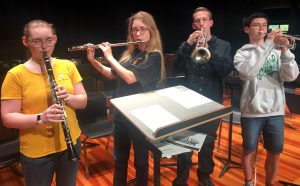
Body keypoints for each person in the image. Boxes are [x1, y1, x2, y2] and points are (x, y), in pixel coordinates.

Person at [1, 19, 87, 186]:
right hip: (36, 152)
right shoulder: (15, 75)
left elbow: (82, 101)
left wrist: (68, 98)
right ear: (25, 42)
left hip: (70, 143)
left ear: (54, 39)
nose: (44, 46)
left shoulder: (67, 66)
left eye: (48, 40)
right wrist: (41, 117)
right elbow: (8, 118)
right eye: (37, 41)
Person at [86, 11, 165, 186]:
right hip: (121, 115)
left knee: (141, 161)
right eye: (134, 30)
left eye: (142, 29)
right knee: (120, 159)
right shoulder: (130, 55)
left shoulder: (154, 56)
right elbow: (110, 74)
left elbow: (130, 78)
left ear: (151, 31)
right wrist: (93, 60)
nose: (137, 34)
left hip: (140, 117)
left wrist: (108, 56)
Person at [233, 12, 299, 186]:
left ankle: (270, 183)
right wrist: (269, 43)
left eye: (264, 25)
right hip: (251, 112)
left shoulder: (277, 52)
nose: (262, 28)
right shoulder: (242, 53)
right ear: (247, 29)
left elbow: (291, 76)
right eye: (257, 25)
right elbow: (247, 73)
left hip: (276, 111)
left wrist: (285, 51)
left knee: (275, 151)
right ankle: (249, 183)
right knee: (249, 150)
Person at [172, 7, 233, 186]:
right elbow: (176, 68)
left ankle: (204, 176)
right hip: (187, 102)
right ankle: (181, 179)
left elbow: (225, 70)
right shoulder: (187, 45)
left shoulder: (223, 45)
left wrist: (208, 49)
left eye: (204, 20)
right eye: (197, 21)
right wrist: (186, 46)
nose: (201, 24)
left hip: (211, 101)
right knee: (183, 142)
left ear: (211, 22)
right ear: (193, 25)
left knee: (207, 143)